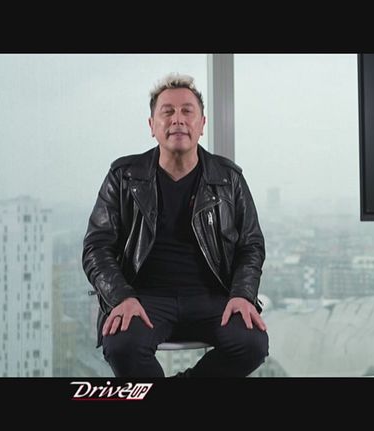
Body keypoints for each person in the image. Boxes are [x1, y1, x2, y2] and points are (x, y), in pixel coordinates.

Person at [82, 73, 268, 377]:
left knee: (251, 344)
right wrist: (121, 297)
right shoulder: (123, 176)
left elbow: (251, 245)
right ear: (152, 125)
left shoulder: (229, 178)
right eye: (167, 112)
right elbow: (96, 247)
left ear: (202, 123)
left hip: (212, 298)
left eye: (187, 111)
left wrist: (242, 294)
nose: (177, 119)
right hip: (143, 298)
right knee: (122, 346)